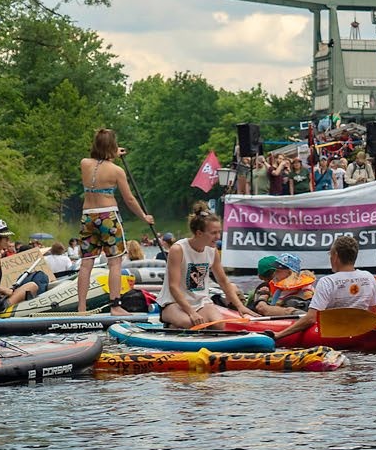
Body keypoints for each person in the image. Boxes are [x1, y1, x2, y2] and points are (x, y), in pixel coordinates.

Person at [76, 129, 156, 314]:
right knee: (114, 262)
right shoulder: (117, 171)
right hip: (108, 217)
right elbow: (129, 199)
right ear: (112, 147)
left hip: (87, 216)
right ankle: (115, 306)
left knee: (86, 263)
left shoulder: (84, 163)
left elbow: (99, 162)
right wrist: (144, 216)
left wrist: (111, 154)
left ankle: (81, 307)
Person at [162, 205, 255, 329]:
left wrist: (240, 306)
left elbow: (223, 281)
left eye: (219, 232)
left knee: (219, 325)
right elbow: (173, 286)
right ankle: (170, 325)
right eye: (213, 233)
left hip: (200, 302)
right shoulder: (178, 249)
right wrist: (191, 312)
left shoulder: (212, 250)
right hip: (173, 303)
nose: (218, 237)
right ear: (199, 233)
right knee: (189, 323)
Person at [273, 234, 376, 338]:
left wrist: (279, 335)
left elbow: (311, 318)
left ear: (336, 256)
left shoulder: (327, 282)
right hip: (359, 328)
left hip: (334, 331)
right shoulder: (369, 277)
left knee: (269, 308)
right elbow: (374, 313)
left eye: (330, 254)